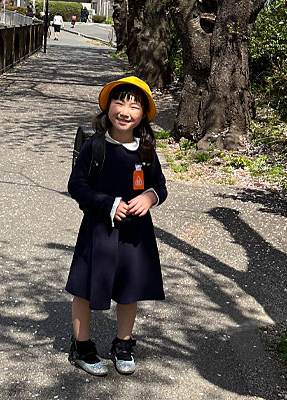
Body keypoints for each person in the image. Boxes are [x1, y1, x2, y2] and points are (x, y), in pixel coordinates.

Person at [66, 76, 167, 377]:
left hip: (135, 234)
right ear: (107, 106)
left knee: (129, 290)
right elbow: (77, 185)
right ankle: (82, 346)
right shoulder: (95, 146)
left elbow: (160, 186)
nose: (125, 111)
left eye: (134, 106)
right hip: (98, 231)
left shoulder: (146, 151)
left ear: (143, 115)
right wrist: (108, 204)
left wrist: (150, 197)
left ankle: (123, 344)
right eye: (119, 102)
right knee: (84, 289)